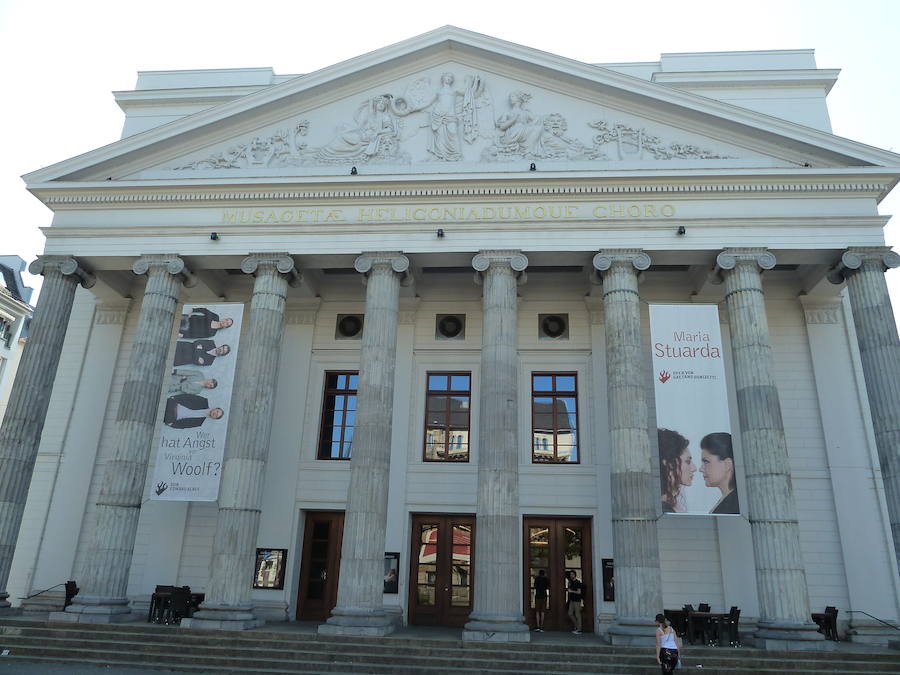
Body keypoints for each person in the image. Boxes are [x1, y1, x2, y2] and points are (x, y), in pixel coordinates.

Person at [700, 432, 740, 514]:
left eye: (706, 462)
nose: (701, 469)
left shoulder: (734, 506)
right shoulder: (729, 501)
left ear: (728, 464)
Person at [658, 428, 697, 513]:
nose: (694, 468)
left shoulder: (666, 505)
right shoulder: (663, 510)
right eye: (688, 461)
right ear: (669, 464)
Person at [566, 569, 583, 634]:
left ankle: (579, 629)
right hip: (572, 600)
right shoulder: (570, 582)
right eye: (570, 575)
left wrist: (571, 591)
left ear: (575, 575)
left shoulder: (577, 582)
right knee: (570, 613)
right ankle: (576, 626)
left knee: (577, 614)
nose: (571, 575)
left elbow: (579, 592)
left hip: (577, 600)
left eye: (572, 574)